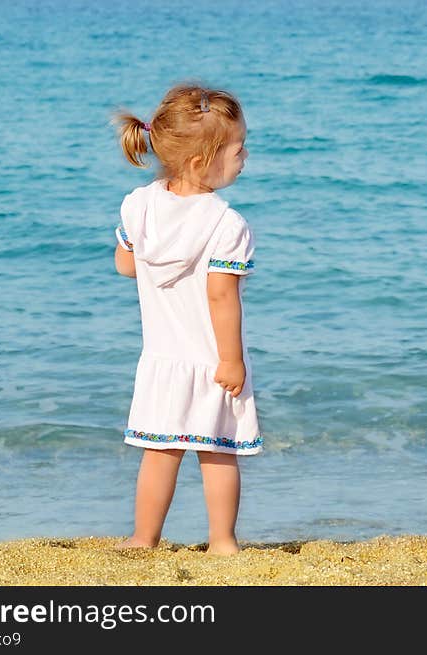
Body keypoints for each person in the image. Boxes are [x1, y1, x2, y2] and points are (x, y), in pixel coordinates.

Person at [110, 82, 260, 555]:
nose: (246, 155)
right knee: (218, 452)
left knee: (160, 452)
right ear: (202, 161)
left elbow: (126, 264)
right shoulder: (226, 224)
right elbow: (221, 297)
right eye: (238, 149)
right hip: (211, 360)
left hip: (161, 359)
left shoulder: (138, 205)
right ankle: (222, 541)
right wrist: (232, 360)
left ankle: (143, 538)